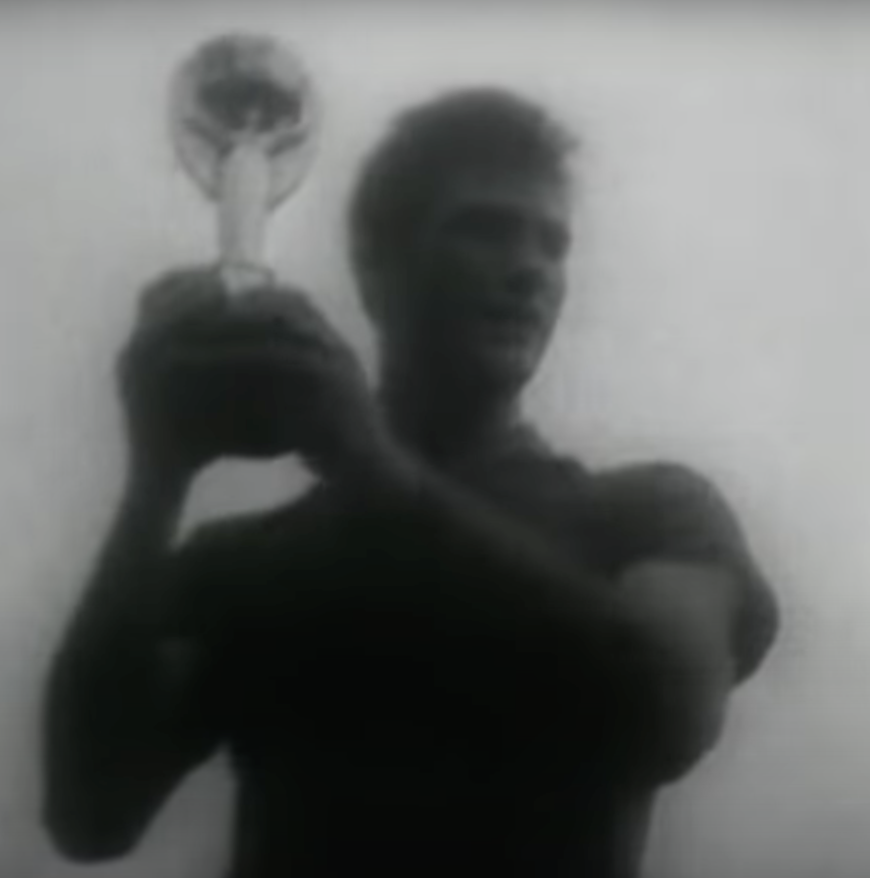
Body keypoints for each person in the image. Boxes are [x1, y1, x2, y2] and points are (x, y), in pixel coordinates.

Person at [41, 88, 779, 878]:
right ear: (373, 266)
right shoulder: (247, 562)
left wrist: (373, 469)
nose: (529, 270)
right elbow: (91, 813)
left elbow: (669, 712)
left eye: (552, 245)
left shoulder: (653, 512)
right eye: (484, 229)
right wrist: (156, 476)